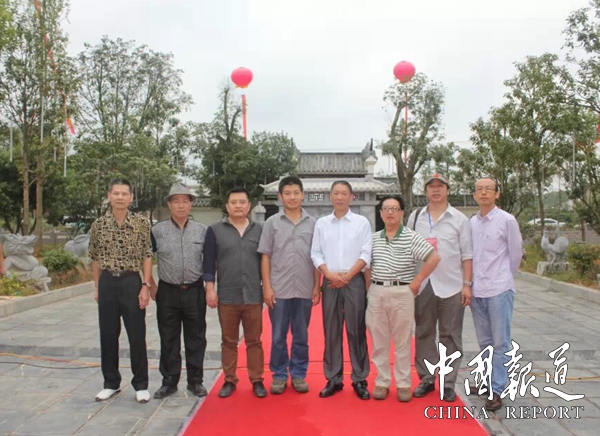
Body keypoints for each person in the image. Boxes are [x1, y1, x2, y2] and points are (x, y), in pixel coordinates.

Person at [366, 195, 440, 402]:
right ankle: (382, 381)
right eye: (386, 209)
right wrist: (368, 290)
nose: (390, 212)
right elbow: (367, 265)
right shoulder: (373, 238)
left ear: (401, 213)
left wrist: (417, 281)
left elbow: (434, 257)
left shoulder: (411, 237)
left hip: (402, 292)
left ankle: (403, 383)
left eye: (394, 209)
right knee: (379, 340)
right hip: (377, 291)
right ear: (381, 213)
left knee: (402, 340)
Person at [407, 174, 473, 402]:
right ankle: (426, 378)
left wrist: (467, 284)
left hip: (452, 285)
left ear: (447, 190)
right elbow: (408, 250)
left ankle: (448, 383)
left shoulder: (459, 219)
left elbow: (467, 254)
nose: (435, 190)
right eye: (431, 187)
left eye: (440, 186)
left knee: (450, 335)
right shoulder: (416, 217)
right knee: (424, 332)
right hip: (423, 284)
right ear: (426, 191)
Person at [88, 178, 153, 403]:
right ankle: (111, 383)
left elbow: (147, 255)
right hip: (108, 282)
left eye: (124, 194)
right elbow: (95, 258)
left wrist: (145, 285)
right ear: (109, 196)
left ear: (131, 198)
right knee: (108, 334)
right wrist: (98, 286)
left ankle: (141, 385)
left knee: (136, 335)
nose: (120, 197)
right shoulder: (98, 225)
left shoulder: (141, 223)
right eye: (116, 193)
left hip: (131, 282)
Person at [258, 176, 321, 395]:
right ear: (280, 196)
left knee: (301, 336)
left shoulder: (313, 224)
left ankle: (299, 374)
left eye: (296, 193)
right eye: (287, 193)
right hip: (279, 289)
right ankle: (279, 375)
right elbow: (265, 256)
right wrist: (267, 287)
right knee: (278, 336)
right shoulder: (272, 223)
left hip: (304, 288)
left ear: (303, 195)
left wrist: (317, 286)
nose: (292, 197)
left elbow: (317, 257)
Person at [310, 180, 372, 400]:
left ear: (351, 197)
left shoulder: (361, 222)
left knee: (356, 330)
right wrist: (328, 274)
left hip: (353, 280)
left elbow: (366, 254)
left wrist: (346, 277)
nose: (339, 197)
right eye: (336, 193)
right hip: (329, 281)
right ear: (330, 196)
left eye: (344, 193)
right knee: (331, 330)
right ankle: (333, 378)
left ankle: (360, 378)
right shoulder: (321, 223)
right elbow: (316, 253)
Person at [203, 187, 267, 398]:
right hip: (227, 296)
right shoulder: (215, 230)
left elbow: (266, 261)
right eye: (233, 202)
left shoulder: (260, 230)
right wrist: (210, 289)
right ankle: (229, 379)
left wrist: (268, 288)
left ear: (249, 205)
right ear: (227, 206)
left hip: (253, 295)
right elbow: (209, 262)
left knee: (254, 341)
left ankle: (257, 379)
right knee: (228, 341)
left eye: (242, 202)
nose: (238, 206)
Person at [149, 182, 208, 400]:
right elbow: (145, 258)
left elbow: (209, 261)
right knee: (168, 338)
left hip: (194, 291)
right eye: (176, 201)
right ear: (169, 204)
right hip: (167, 292)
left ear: (191, 204)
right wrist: (150, 284)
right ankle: (169, 381)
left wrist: (211, 287)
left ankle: (195, 381)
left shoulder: (202, 230)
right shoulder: (157, 231)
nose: (181, 205)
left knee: (196, 338)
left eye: (185, 201)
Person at [470, 177, 523, 411]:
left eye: (488, 189)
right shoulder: (472, 223)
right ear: (474, 194)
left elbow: (515, 253)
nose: (484, 193)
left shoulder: (506, 220)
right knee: (485, 342)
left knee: (500, 342)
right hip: (477, 290)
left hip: (499, 289)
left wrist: (504, 276)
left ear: (497, 194)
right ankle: (486, 382)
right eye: (479, 189)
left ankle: (497, 389)